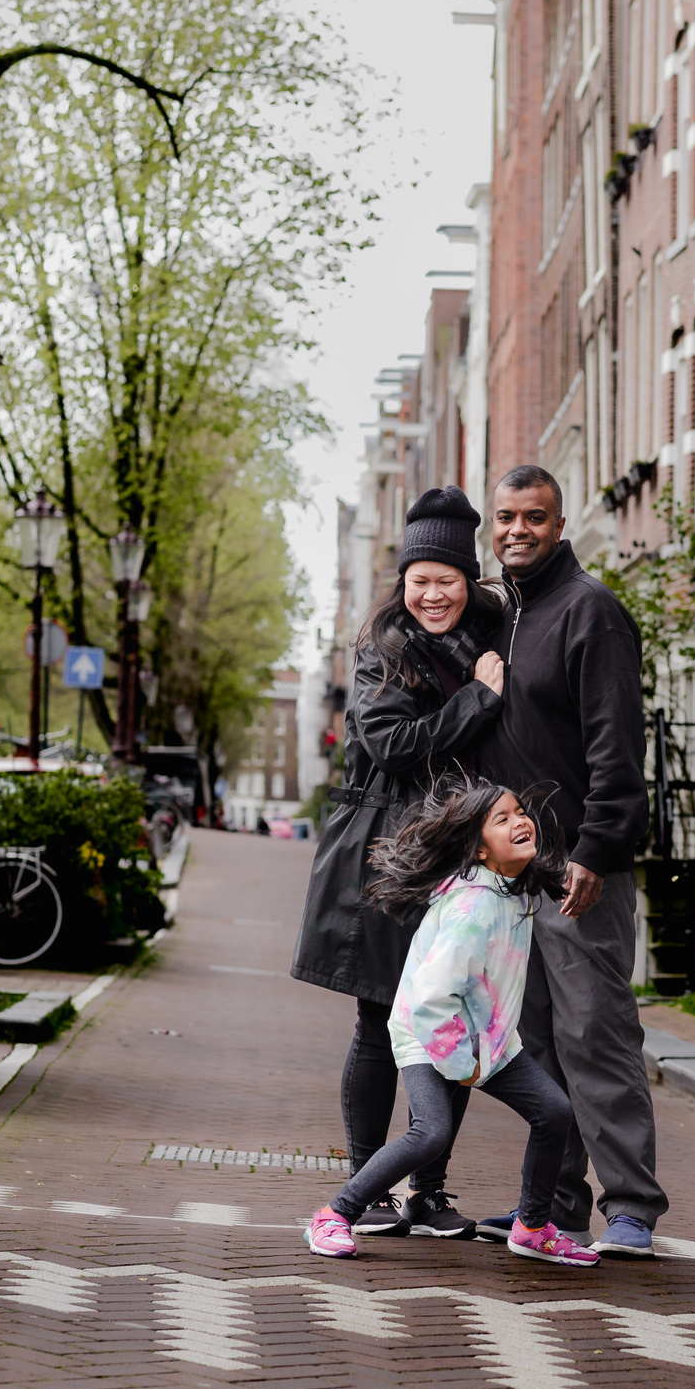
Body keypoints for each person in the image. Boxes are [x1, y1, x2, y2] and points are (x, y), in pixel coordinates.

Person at [291, 485, 505, 1240]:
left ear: (467, 580)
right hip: (386, 852)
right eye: (421, 580)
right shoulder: (382, 648)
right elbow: (393, 744)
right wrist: (477, 702)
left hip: (456, 853)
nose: (433, 594)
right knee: (381, 1018)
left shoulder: (491, 636)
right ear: (403, 582)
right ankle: (369, 1188)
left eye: (447, 579)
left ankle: (429, 1191)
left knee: (453, 1020)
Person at [475, 465, 668, 1257]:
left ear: (561, 526)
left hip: (580, 872)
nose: (518, 530)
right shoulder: (500, 619)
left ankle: (631, 1208)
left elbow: (618, 745)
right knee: (536, 1044)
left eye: (535, 517)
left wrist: (597, 848)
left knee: (598, 1034)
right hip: (515, 874)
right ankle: (553, 1207)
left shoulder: (592, 612)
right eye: (506, 517)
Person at [303, 779, 599, 1270]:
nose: (520, 821)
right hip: (429, 1032)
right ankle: (335, 1214)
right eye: (501, 819)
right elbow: (433, 997)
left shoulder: (516, 891)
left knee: (553, 1112)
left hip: (486, 1038)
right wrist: (462, 1062)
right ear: (480, 850)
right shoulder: (472, 906)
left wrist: (482, 1051)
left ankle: (531, 1226)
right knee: (431, 1134)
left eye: (520, 811)